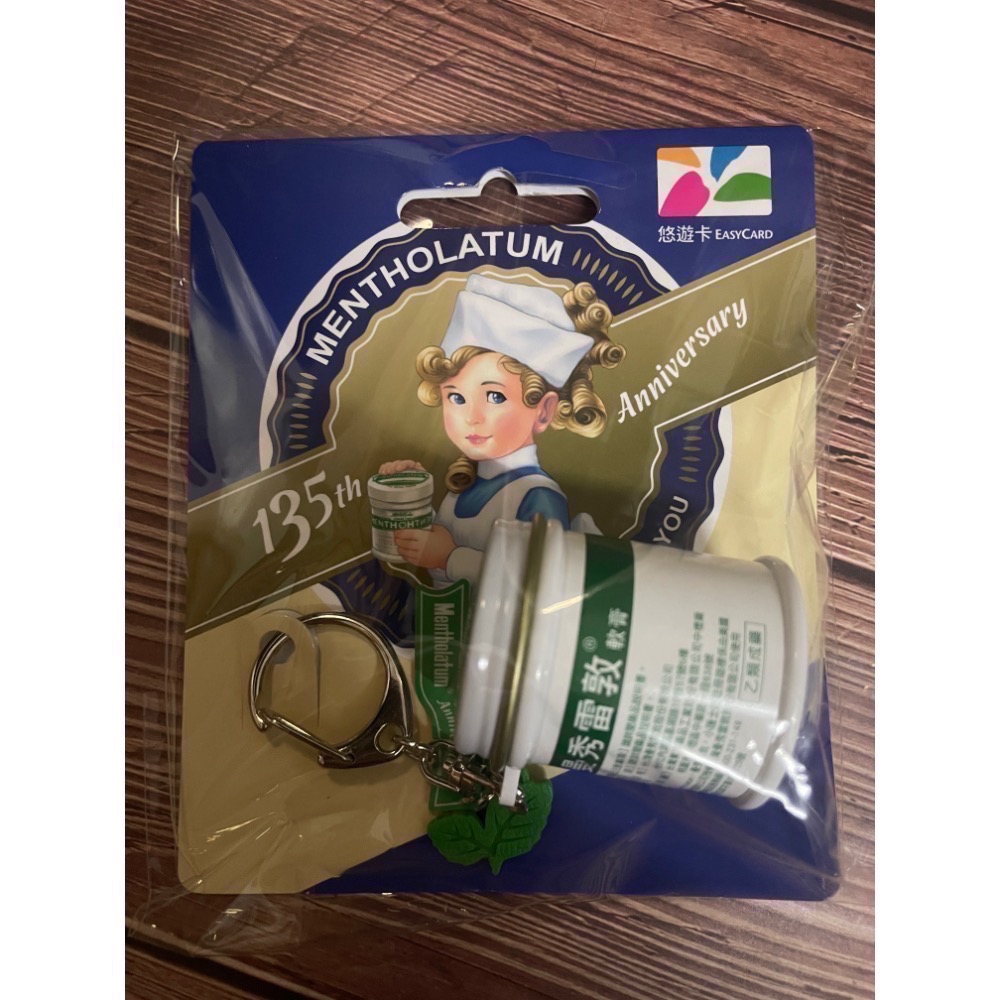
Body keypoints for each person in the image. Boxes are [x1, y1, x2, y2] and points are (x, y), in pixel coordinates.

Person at [380, 273, 624, 584]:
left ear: (544, 410)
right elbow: (443, 542)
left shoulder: (538, 496)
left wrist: (450, 557)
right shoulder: (464, 486)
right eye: (456, 397)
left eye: (495, 397)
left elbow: (541, 581)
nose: (472, 416)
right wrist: (409, 497)